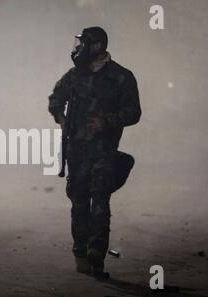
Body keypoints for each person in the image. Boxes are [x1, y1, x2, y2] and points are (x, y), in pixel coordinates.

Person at [48, 26, 141, 279]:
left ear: (97, 46)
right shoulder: (74, 75)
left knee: (100, 203)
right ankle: (80, 253)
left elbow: (134, 112)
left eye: (83, 44)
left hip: (104, 153)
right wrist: (60, 116)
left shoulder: (121, 77)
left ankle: (96, 256)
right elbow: (56, 96)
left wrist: (107, 121)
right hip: (76, 151)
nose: (78, 49)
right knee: (78, 202)